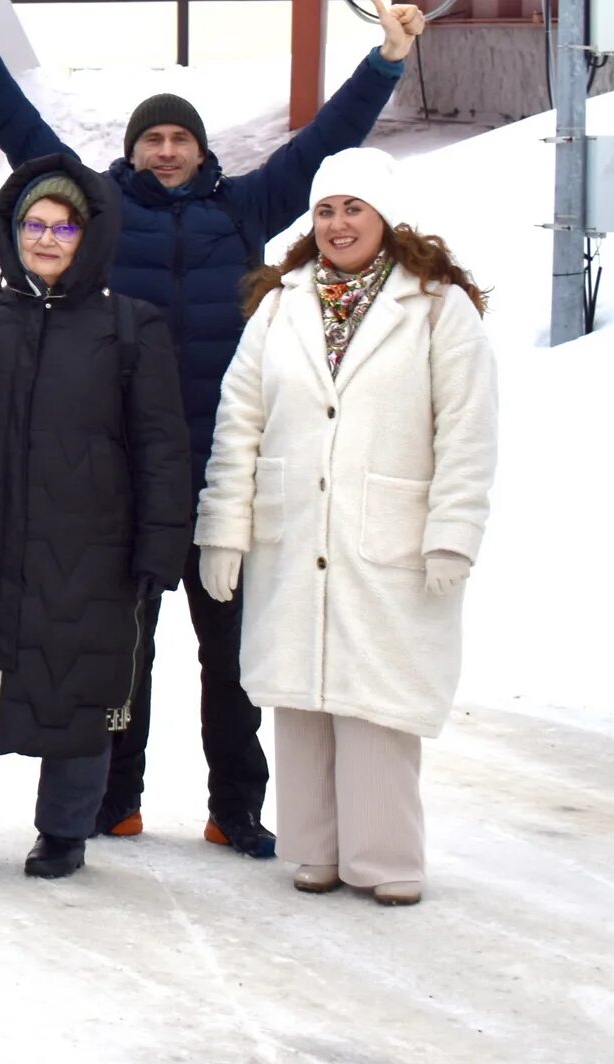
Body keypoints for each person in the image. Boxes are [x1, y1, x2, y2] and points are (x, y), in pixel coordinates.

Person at [0, 0, 429, 853]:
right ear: (132, 152)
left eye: (179, 138)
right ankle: (113, 800)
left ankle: (234, 808)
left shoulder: (240, 209)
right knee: (123, 647)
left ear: (201, 149)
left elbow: (326, 144)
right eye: (151, 139)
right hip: (121, 475)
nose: (166, 151)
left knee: (230, 654)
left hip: (225, 470)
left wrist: (385, 59)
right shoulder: (104, 212)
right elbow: (27, 144)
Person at [196, 149, 494, 907]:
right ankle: (316, 847)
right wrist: (223, 528)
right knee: (301, 695)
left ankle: (385, 857)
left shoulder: (437, 306)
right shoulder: (280, 303)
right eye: (325, 210)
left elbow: (467, 429)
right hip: (293, 528)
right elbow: (240, 424)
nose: (337, 224)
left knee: (377, 700)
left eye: (353, 208)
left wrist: (452, 530)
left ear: (385, 217)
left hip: (389, 531)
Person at [0, 158, 192, 882]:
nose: (48, 238)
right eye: (35, 223)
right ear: (13, 230)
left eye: (64, 226)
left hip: (89, 549)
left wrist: (161, 549)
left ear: (89, 235)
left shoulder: (130, 327)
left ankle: (63, 830)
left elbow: (162, 446)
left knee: (75, 689)